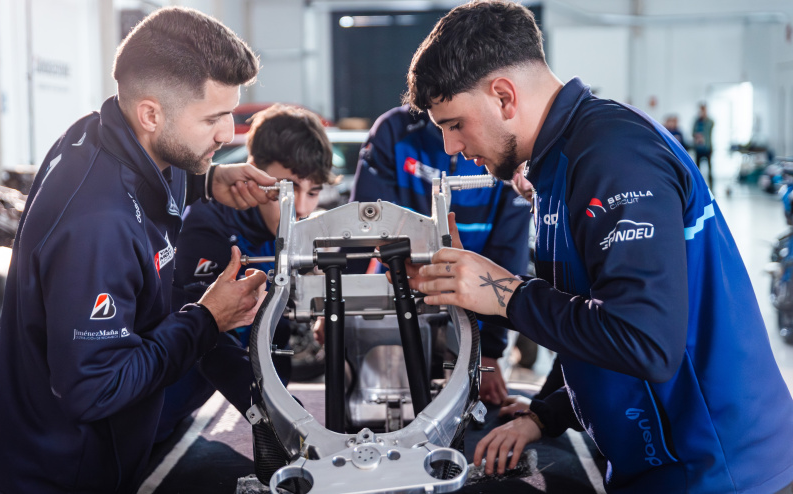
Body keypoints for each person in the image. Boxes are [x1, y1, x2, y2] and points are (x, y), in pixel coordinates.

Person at [404, 1, 793, 492]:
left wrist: (504, 293)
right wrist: (546, 414)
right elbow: (586, 316)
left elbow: (644, 341)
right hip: (656, 467)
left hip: (720, 473)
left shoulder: (614, 156)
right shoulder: (556, 168)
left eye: (454, 123)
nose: (450, 148)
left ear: (503, 96)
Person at [0, 8, 280, 493]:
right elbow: (96, 390)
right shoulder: (98, 226)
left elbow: (148, 174)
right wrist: (206, 320)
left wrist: (209, 181)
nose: (229, 135)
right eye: (214, 119)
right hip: (54, 474)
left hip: (53, 447)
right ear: (151, 113)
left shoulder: (101, 132)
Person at [163, 104, 333, 425]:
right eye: (289, 187)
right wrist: (282, 417)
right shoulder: (206, 223)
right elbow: (209, 341)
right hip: (150, 406)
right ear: (254, 171)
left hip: (193, 409)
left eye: (313, 192)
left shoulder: (285, 231)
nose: (300, 207)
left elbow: (273, 331)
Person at [351, 104, 531, 404]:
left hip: (474, 307)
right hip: (393, 300)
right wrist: (340, 308)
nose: (453, 145)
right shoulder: (394, 131)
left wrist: (488, 352)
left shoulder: (506, 139)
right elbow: (362, 226)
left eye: (457, 124)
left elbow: (508, 254)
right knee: (376, 403)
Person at [692, 103, 714, 188]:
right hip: (698, 149)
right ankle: (699, 186)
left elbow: (710, 126)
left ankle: (711, 187)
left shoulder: (709, 121)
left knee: (709, 169)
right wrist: (697, 136)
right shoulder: (696, 121)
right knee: (697, 170)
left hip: (707, 148)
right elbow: (693, 132)